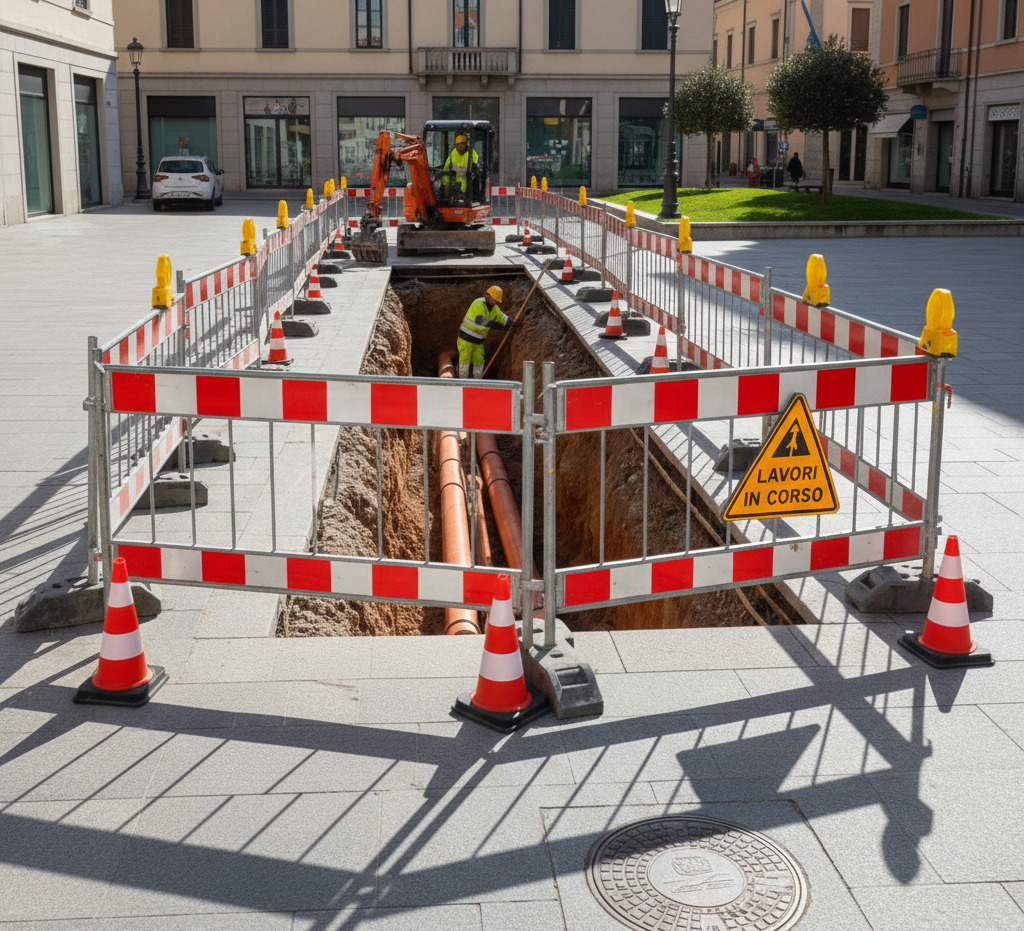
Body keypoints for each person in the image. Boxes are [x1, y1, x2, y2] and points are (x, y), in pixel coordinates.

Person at [457, 286, 510, 379]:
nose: (496, 303)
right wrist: (500, 327)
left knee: (479, 363)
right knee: (464, 363)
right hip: (466, 340)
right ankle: (462, 384)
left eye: (497, 301)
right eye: (494, 300)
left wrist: (511, 323)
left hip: (478, 342)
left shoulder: (494, 309)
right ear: (487, 296)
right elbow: (481, 320)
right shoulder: (478, 303)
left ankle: (477, 383)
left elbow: (503, 317)